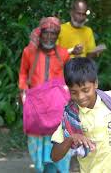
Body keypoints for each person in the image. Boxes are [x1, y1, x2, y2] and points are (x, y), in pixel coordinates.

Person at [18, 17, 71, 173]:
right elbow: (23, 74)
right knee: (36, 138)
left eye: (53, 34)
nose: (49, 37)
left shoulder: (63, 53)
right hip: (36, 104)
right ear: (40, 34)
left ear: (57, 35)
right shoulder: (29, 52)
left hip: (57, 105)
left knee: (59, 137)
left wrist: (68, 93)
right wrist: (23, 92)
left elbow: (68, 77)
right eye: (46, 33)